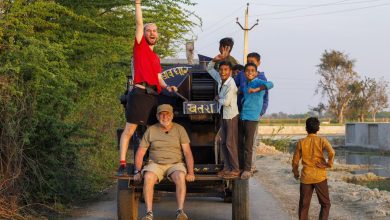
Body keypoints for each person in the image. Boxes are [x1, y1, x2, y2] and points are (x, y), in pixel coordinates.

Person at [118, 0, 177, 175]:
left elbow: (159, 79)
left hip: (153, 96)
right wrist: (137, 4)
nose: (151, 32)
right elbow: (138, 23)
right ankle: (122, 163)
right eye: (148, 30)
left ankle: (152, 162)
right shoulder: (140, 46)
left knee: (153, 131)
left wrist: (169, 87)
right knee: (130, 129)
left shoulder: (156, 58)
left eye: (154, 31)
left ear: (157, 35)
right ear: (143, 34)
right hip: (139, 93)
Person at [134, 104, 195, 220]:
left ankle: (180, 211)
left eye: (167, 114)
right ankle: (149, 213)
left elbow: (187, 152)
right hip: (155, 164)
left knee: (180, 176)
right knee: (148, 177)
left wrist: (191, 172)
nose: (164, 117)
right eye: (161, 114)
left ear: (172, 116)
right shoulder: (151, 130)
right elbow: (140, 152)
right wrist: (137, 171)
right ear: (157, 116)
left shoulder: (179, 129)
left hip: (175, 163)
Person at [292, 117, 335, 220]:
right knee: (325, 204)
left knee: (304, 205)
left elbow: (295, 160)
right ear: (318, 129)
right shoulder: (322, 140)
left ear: (306, 129)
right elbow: (332, 152)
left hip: (306, 177)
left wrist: (295, 172)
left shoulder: (301, 142)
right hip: (320, 176)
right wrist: (328, 164)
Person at [207, 47, 240, 179]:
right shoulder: (221, 80)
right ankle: (227, 168)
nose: (222, 72)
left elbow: (226, 102)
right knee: (223, 142)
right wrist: (214, 60)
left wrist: (217, 98)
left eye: (226, 70)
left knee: (230, 143)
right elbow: (209, 69)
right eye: (221, 70)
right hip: (224, 115)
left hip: (231, 116)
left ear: (230, 72)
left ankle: (235, 168)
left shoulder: (231, 84)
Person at [234, 52, 268, 173]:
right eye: (248, 61)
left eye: (252, 62)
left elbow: (266, 97)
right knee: (240, 141)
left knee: (251, 143)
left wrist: (261, 112)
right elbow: (233, 85)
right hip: (241, 113)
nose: (249, 66)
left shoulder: (261, 79)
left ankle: (250, 167)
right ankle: (241, 166)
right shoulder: (242, 75)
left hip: (254, 115)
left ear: (258, 64)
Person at [239, 63, 274, 179]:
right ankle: (241, 166)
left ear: (256, 72)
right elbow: (243, 95)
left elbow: (270, 84)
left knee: (248, 145)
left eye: (252, 71)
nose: (250, 72)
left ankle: (247, 169)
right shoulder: (245, 85)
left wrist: (257, 89)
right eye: (248, 71)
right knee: (240, 143)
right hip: (243, 116)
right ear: (244, 73)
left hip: (252, 118)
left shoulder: (259, 82)